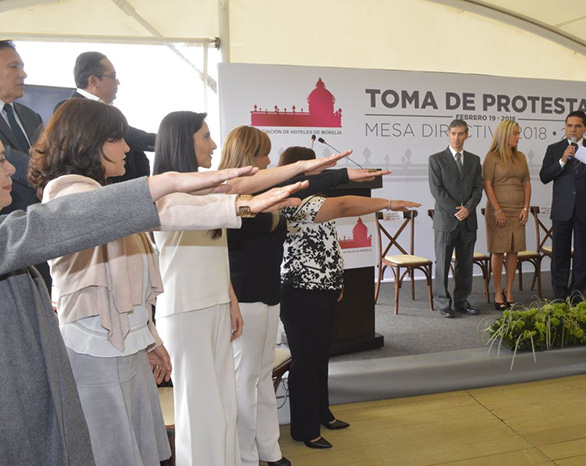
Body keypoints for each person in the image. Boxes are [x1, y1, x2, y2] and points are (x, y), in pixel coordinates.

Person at [29, 100, 305, 466]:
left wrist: (149, 337)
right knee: (116, 449)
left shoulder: (103, 192)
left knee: (160, 436)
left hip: (127, 341)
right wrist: (240, 204)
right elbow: (170, 211)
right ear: (88, 143)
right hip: (97, 346)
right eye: (117, 138)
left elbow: (134, 277)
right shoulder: (68, 192)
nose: (127, 147)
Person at [152, 115, 348, 466]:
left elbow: (221, 247)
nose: (214, 144)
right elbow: (238, 189)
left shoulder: (201, 189)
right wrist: (293, 175)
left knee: (222, 407)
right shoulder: (168, 192)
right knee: (198, 410)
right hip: (186, 310)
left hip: (215, 304)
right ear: (182, 141)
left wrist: (229, 301)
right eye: (206, 137)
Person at [219, 130, 388, 466]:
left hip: (273, 294)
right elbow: (339, 202)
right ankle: (253, 451)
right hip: (257, 296)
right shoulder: (237, 195)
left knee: (265, 377)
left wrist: (343, 174)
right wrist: (385, 201)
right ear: (249, 156)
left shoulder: (275, 195)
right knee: (251, 377)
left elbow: (312, 196)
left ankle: (270, 447)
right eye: (263, 155)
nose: (269, 161)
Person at [278, 146, 419, 449]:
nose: (322, 170)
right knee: (306, 360)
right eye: (316, 165)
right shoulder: (293, 201)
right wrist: (389, 203)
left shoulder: (315, 199)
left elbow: (329, 243)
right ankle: (304, 428)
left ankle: (322, 413)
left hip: (323, 288)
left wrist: (337, 280)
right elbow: (343, 206)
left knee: (320, 355)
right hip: (302, 291)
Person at [0, 40, 52, 289]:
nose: (23, 74)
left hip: (37, 231)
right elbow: (16, 159)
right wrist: (49, 173)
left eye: (21, 66)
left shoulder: (30, 116)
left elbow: (47, 156)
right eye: (14, 67)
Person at [540, 110, 586, 302]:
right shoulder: (554, 148)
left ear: (585, 128)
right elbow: (544, 176)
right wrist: (562, 161)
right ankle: (560, 294)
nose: (573, 129)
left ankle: (577, 293)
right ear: (565, 127)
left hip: (585, 208)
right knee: (560, 253)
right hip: (562, 209)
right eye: (569, 126)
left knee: (582, 254)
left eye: (577, 126)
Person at [60, 51, 154, 180]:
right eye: (112, 76)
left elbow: (136, 150)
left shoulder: (109, 110)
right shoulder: (70, 110)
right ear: (93, 81)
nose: (118, 82)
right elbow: (133, 137)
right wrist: (171, 141)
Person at [428, 119, 483, 318]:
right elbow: (437, 190)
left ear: (467, 135)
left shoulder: (474, 160)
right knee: (442, 262)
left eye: (461, 134)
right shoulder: (436, 159)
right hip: (446, 221)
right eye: (453, 133)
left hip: (468, 220)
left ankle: (461, 301)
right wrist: (456, 210)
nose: (457, 138)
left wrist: (468, 208)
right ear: (448, 134)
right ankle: (443, 303)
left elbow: (478, 189)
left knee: (465, 263)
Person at [482, 120, 531, 309]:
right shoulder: (492, 156)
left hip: (518, 211)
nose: (518, 137)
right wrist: (498, 210)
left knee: (513, 250)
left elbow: (526, 183)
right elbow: (487, 184)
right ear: (505, 135)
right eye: (515, 133)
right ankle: (497, 290)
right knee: (497, 250)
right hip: (498, 211)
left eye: (518, 133)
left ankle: (509, 290)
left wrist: (525, 208)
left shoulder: (521, 157)